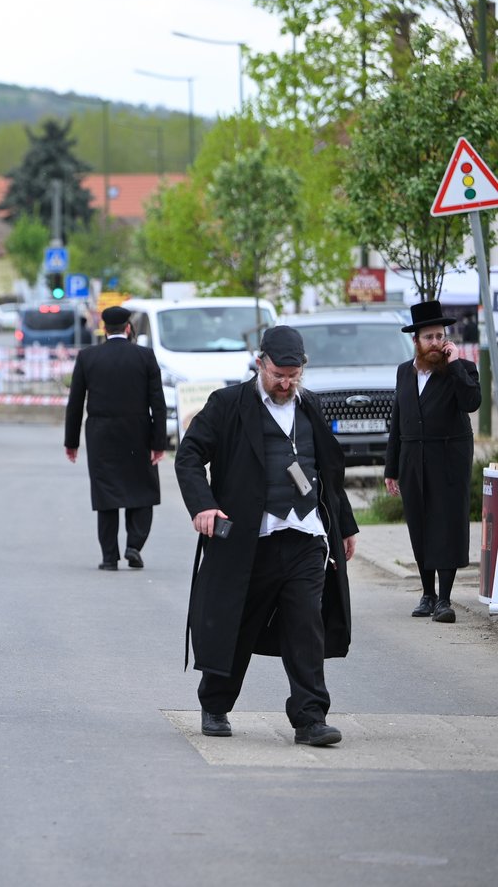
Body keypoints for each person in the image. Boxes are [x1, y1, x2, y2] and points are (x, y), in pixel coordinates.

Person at [175, 325, 358, 747]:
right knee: (237, 624)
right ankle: (215, 704)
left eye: (294, 376)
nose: (286, 384)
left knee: (305, 626)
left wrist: (345, 525)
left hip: (305, 536)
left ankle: (310, 718)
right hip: (249, 540)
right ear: (260, 364)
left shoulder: (310, 405)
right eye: (278, 375)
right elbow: (189, 456)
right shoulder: (228, 404)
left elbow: (328, 472)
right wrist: (203, 505)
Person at [384, 300, 480, 623]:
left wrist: (455, 365)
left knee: (447, 525)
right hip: (413, 459)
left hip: (449, 459)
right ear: (416, 341)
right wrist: (391, 468)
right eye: (429, 337)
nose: (436, 342)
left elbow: (472, 402)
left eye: (440, 336)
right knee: (420, 524)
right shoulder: (404, 372)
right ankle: (427, 594)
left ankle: (445, 599)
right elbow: (397, 421)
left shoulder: (461, 369)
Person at [63, 305, 168, 570]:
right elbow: (158, 403)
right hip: (138, 432)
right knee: (141, 490)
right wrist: (159, 443)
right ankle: (134, 546)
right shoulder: (145, 356)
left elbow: (75, 403)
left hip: (101, 434)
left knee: (106, 493)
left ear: (104, 328)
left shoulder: (88, 357)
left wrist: (71, 442)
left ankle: (109, 557)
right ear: (128, 328)